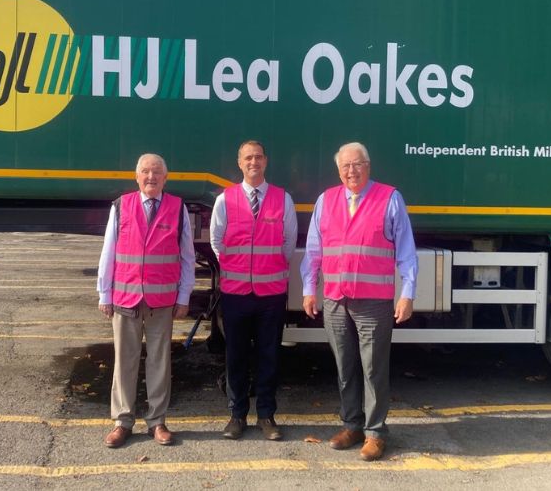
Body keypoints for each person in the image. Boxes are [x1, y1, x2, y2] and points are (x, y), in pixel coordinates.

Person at [300, 142, 417, 461]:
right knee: (345, 367)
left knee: (373, 367)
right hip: (335, 299)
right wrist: (309, 288)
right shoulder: (326, 200)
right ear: (339, 170)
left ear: (369, 166)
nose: (352, 171)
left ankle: (376, 432)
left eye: (358, 164)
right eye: (345, 166)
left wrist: (407, 293)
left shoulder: (390, 198)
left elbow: (406, 251)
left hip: (373, 301)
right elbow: (314, 250)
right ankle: (352, 425)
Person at [96, 153, 195, 448]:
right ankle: (122, 421)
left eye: (157, 173)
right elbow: (108, 252)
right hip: (125, 296)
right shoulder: (121, 206)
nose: (151, 177)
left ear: (166, 178)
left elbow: (187, 257)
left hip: (161, 300)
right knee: (124, 361)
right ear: (136, 176)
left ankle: (157, 421)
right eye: (145, 172)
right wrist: (104, 293)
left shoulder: (178, 209)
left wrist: (184, 295)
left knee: (159, 362)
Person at [210, 140, 297, 441]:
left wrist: (264, 269)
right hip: (236, 293)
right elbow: (217, 243)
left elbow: (288, 244)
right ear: (240, 163)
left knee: (269, 355)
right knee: (235, 355)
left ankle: (266, 416)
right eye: (248, 158)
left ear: (266, 161)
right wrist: (239, 268)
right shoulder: (226, 199)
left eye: (258, 157)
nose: (253, 162)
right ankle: (236, 416)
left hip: (271, 294)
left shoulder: (282, 199)